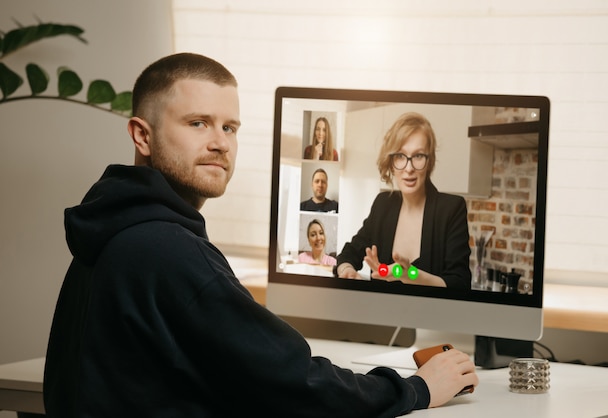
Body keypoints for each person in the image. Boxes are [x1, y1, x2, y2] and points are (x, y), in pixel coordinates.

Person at [43, 53, 477, 417]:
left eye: (230, 127)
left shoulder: (113, 229)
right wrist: (417, 389)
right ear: (142, 135)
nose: (221, 144)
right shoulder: (166, 249)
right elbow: (295, 380)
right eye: (198, 123)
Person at [335, 112, 472, 289]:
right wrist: (347, 271)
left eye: (418, 156)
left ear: (429, 162)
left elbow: (460, 284)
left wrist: (412, 275)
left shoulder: (451, 209)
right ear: (391, 162)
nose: (408, 168)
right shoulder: (383, 204)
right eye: (400, 156)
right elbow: (348, 254)